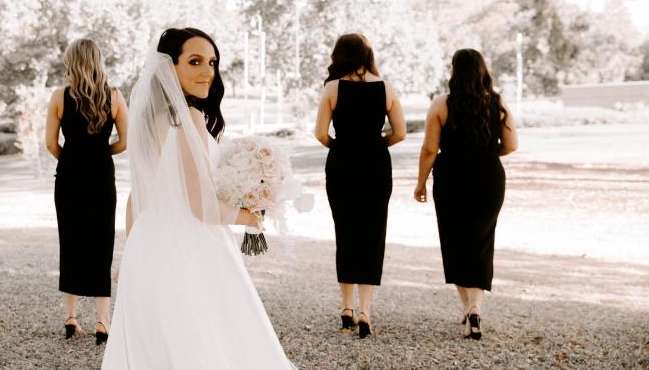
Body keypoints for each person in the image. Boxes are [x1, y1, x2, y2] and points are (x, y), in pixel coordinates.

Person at [102, 28, 294, 369]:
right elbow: (200, 205)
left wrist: (129, 253)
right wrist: (250, 217)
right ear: (169, 67)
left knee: (164, 342)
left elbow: (137, 197)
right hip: (188, 244)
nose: (208, 71)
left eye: (212, 62)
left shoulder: (148, 121)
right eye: (194, 62)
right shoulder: (187, 118)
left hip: (148, 243)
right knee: (208, 336)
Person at [413, 48, 518, 340]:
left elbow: (430, 150)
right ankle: (475, 307)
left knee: (455, 241)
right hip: (489, 178)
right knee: (481, 242)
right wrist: (484, 153)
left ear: (454, 72)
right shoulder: (498, 104)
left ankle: (468, 306)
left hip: (451, 179)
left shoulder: (441, 104)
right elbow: (511, 145)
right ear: (483, 71)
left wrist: (420, 183)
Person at [314, 33, 406, 339]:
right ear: (368, 54)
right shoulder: (386, 87)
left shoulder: (332, 88)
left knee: (346, 232)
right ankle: (366, 311)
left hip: (342, 163)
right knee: (373, 233)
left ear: (339, 55)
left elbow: (320, 134)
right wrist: (376, 144)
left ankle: (346, 308)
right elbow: (401, 133)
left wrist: (341, 147)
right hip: (376, 164)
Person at [45, 38, 128, 344]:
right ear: (98, 61)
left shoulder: (59, 97)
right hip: (101, 176)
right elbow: (124, 142)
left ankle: (70, 318)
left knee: (71, 242)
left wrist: (72, 159)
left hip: (69, 176)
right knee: (101, 244)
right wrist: (99, 153)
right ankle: (103, 321)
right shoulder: (115, 96)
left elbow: (51, 144)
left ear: (71, 61)